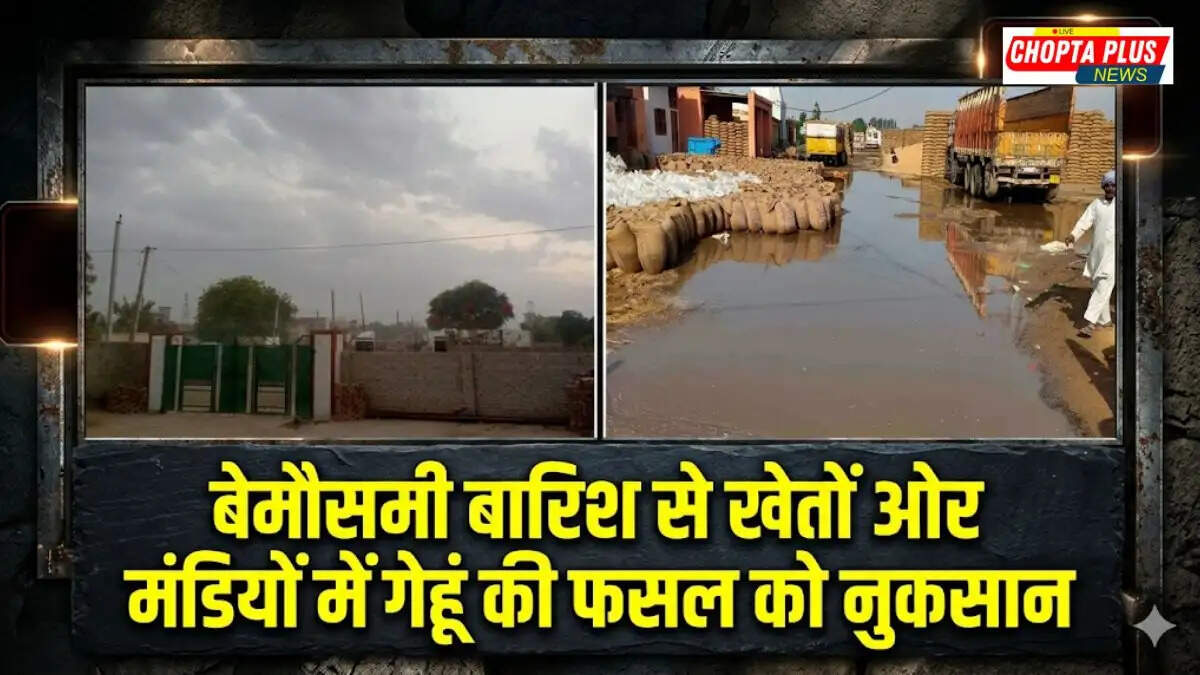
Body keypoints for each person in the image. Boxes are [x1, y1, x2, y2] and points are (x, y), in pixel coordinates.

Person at [1064, 170, 1116, 337]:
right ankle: (1105, 320)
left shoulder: (1123, 205)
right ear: (1103, 187)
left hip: (1114, 256)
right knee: (1099, 288)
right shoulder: (1097, 204)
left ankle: (1090, 323)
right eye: (1107, 185)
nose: (1110, 188)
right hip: (1097, 254)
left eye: (1113, 185)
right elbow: (1085, 222)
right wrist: (1073, 235)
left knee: (1103, 286)